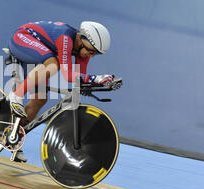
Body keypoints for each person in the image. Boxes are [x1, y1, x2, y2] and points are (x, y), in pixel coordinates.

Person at [7, 20, 122, 162]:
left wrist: (93, 83)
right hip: (22, 37)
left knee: (39, 99)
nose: (91, 56)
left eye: (96, 54)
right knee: (53, 64)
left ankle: (14, 137)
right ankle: (16, 95)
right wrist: (97, 78)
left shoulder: (83, 52)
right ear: (82, 39)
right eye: (91, 51)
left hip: (39, 51)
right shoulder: (65, 38)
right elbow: (68, 74)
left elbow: (78, 78)